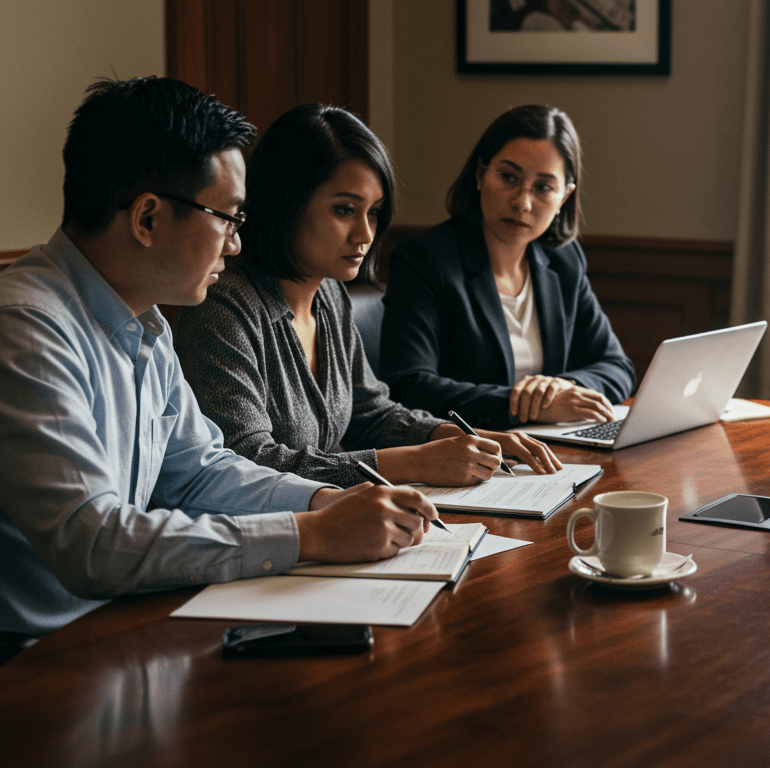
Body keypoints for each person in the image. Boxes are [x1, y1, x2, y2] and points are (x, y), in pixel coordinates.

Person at [0, 78, 441, 663]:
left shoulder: (145, 322)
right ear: (148, 219)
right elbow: (93, 543)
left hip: (127, 624)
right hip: (36, 658)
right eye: (228, 218)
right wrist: (309, 535)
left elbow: (199, 472)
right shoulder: (28, 327)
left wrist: (324, 502)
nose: (235, 246)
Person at [173, 104, 560, 489]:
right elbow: (248, 461)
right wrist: (411, 462)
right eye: (345, 210)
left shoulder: (329, 294)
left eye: (374, 213)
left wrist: (459, 437)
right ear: (285, 203)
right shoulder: (223, 304)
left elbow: (369, 411)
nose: (365, 234)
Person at [380, 105, 635, 431]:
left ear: (564, 198)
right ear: (480, 175)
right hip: (468, 449)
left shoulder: (564, 260)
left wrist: (562, 388)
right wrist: (529, 406)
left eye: (543, 187)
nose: (522, 202)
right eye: (508, 177)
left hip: (553, 447)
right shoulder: (425, 259)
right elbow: (409, 386)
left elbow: (618, 367)